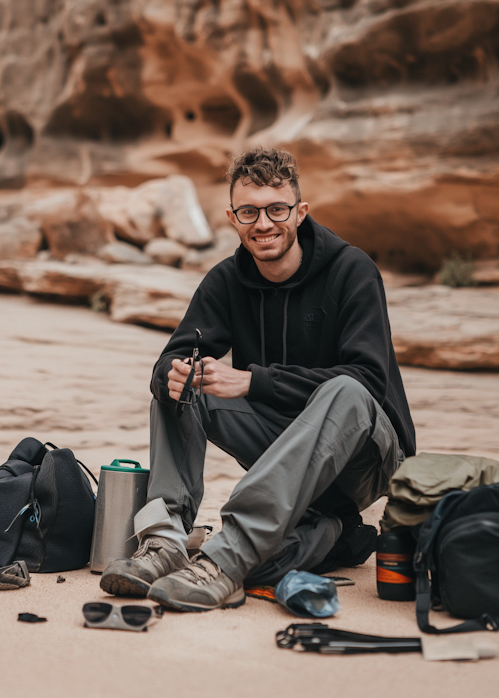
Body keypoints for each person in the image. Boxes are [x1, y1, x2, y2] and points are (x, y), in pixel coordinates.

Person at [101, 147, 416, 612]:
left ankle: (225, 561)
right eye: (249, 211)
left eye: (276, 210)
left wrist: (252, 382)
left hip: (366, 457)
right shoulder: (226, 281)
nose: (263, 224)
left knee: (344, 389)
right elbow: (169, 359)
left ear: (299, 212)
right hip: (284, 447)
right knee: (185, 383)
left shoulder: (352, 271)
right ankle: (166, 541)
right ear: (233, 216)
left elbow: (367, 381)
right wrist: (174, 373)